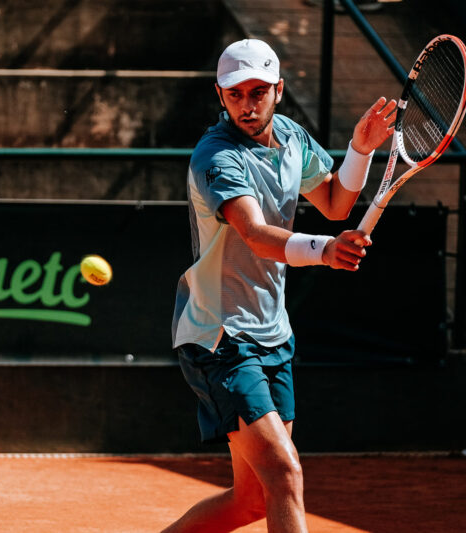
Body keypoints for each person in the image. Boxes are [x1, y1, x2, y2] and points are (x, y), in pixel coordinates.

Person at [163, 39, 396, 533]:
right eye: (235, 94)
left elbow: (334, 203)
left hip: (273, 334)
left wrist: (360, 149)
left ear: (279, 90)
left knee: (252, 500)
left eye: (258, 92)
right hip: (220, 337)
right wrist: (325, 250)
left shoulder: (291, 136)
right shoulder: (215, 156)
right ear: (220, 96)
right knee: (286, 474)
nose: (247, 105)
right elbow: (253, 232)